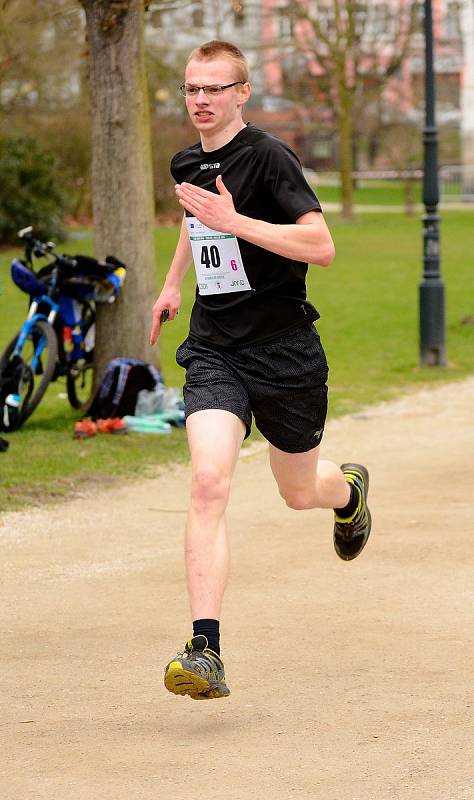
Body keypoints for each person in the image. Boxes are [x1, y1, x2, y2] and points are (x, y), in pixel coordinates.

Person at [150, 40, 371, 701]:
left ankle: (350, 494)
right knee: (208, 481)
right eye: (192, 88)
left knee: (300, 492)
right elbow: (198, 226)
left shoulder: (271, 158)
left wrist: (237, 221)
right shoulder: (187, 160)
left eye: (215, 88)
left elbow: (322, 247)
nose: (201, 100)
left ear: (242, 92)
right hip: (217, 348)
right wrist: (170, 285)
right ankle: (205, 648)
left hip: (284, 350)